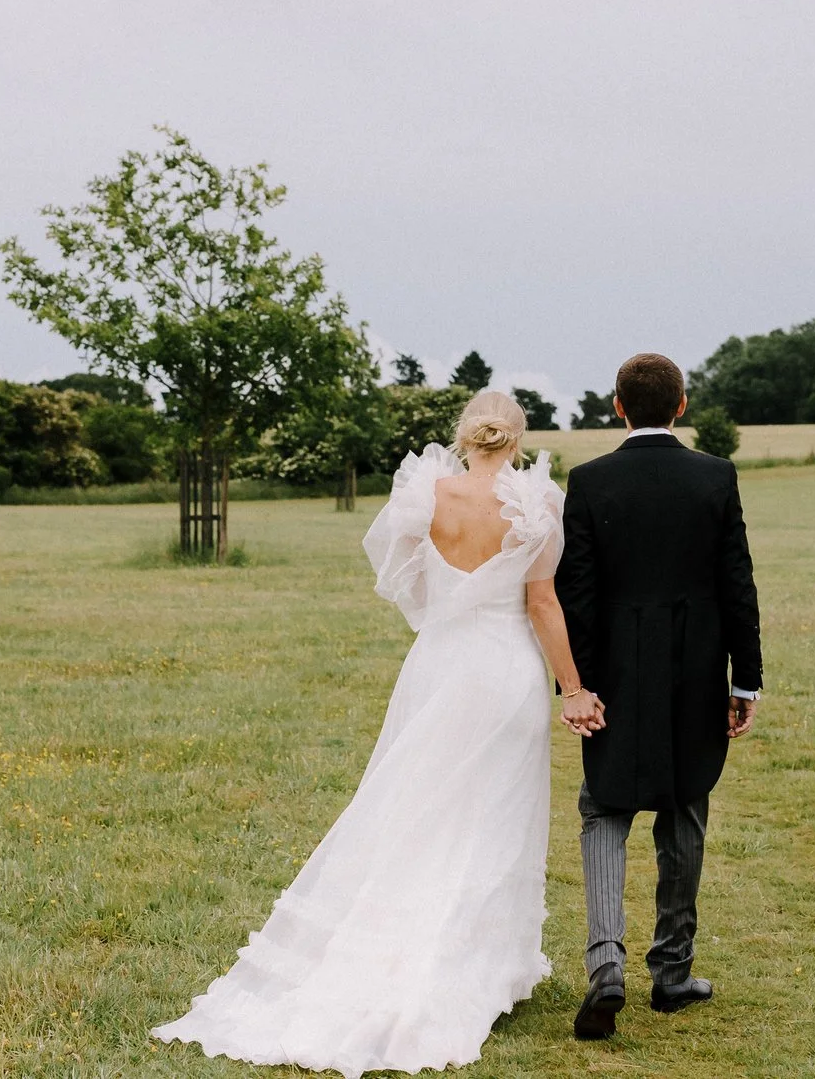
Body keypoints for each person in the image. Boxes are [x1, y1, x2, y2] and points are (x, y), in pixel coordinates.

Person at [155, 389, 601, 1077]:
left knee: (418, 809)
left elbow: (407, 583)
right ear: (517, 438)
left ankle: (436, 953)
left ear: (464, 435)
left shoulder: (426, 494)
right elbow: (542, 601)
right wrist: (572, 686)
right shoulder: (538, 503)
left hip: (441, 663)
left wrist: (448, 613)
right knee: (493, 817)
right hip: (508, 670)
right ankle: (473, 967)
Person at [555, 352, 764, 1040]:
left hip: (612, 675)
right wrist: (744, 679)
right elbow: (738, 583)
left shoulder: (588, 481)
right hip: (695, 669)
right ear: (680, 405)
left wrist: (575, 684)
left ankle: (605, 964)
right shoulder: (714, 475)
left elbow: (574, 596)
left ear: (618, 405)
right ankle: (672, 972)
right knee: (685, 806)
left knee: (603, 810)